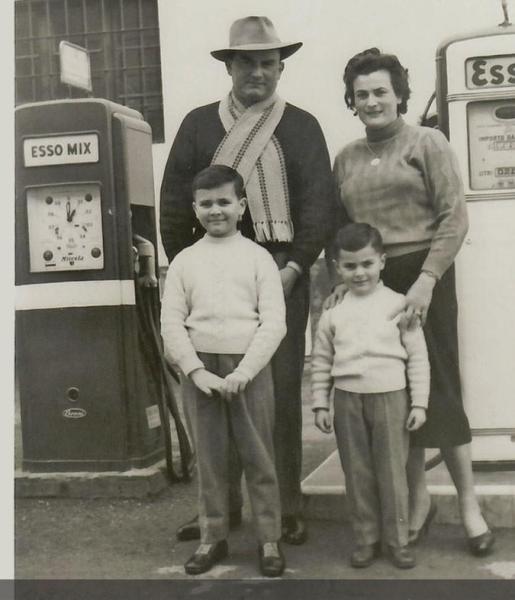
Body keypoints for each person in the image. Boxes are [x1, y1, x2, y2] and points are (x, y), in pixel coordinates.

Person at [160, 16, 337, 545]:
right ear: (229, 67)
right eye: (246, 63)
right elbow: (174, 207)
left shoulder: (301, 126)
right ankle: (221, 508)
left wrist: (294, 269)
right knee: (213, 391)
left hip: (283, 273)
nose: (257, 72)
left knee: (276, 393)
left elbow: (318, 207)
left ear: (281, 68)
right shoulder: (198, 125)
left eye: (266, 63)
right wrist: (192, 273)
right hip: (213, 275)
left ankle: (284, 505)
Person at [329, 48, 495, 557]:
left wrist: (426, 280)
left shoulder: (428, 142)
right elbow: (341, 231)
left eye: (381, 91)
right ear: (351, 101)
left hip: (426, 275)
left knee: (438, 385)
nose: (371, 101)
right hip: (372, 283)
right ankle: (418, 500)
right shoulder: (346, 157)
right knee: (396, 391)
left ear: (400, 94)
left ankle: (469, 505)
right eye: (361, 94)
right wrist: (339, 283)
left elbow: (454, 218)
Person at [161, 165, 287, 577]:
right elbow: (171, 323)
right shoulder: (184, 262)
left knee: (259, 456)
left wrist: (245, 371)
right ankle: (212, 536)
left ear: (241, 205)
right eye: (206, 203)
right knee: (210, 459)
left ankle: (268, 538)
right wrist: (196, 372)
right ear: (195, 208)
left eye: (224, 202)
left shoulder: (258, 258)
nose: (216, 210)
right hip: (201, 371)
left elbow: (274, 322)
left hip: (249, 368)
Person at [312, 223, 430, 569]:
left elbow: (418, 357)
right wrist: (320, 403)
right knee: (357, 473)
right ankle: (366, 538)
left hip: (391, 399)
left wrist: (419, 403)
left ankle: (398, 540)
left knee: (393, 474)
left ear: (382, 261)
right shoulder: (333, 313)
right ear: (337, 267)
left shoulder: (399, 305)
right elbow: (321, 361)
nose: (359, 272)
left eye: (367, 263)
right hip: (347, 400)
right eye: (350, 266)